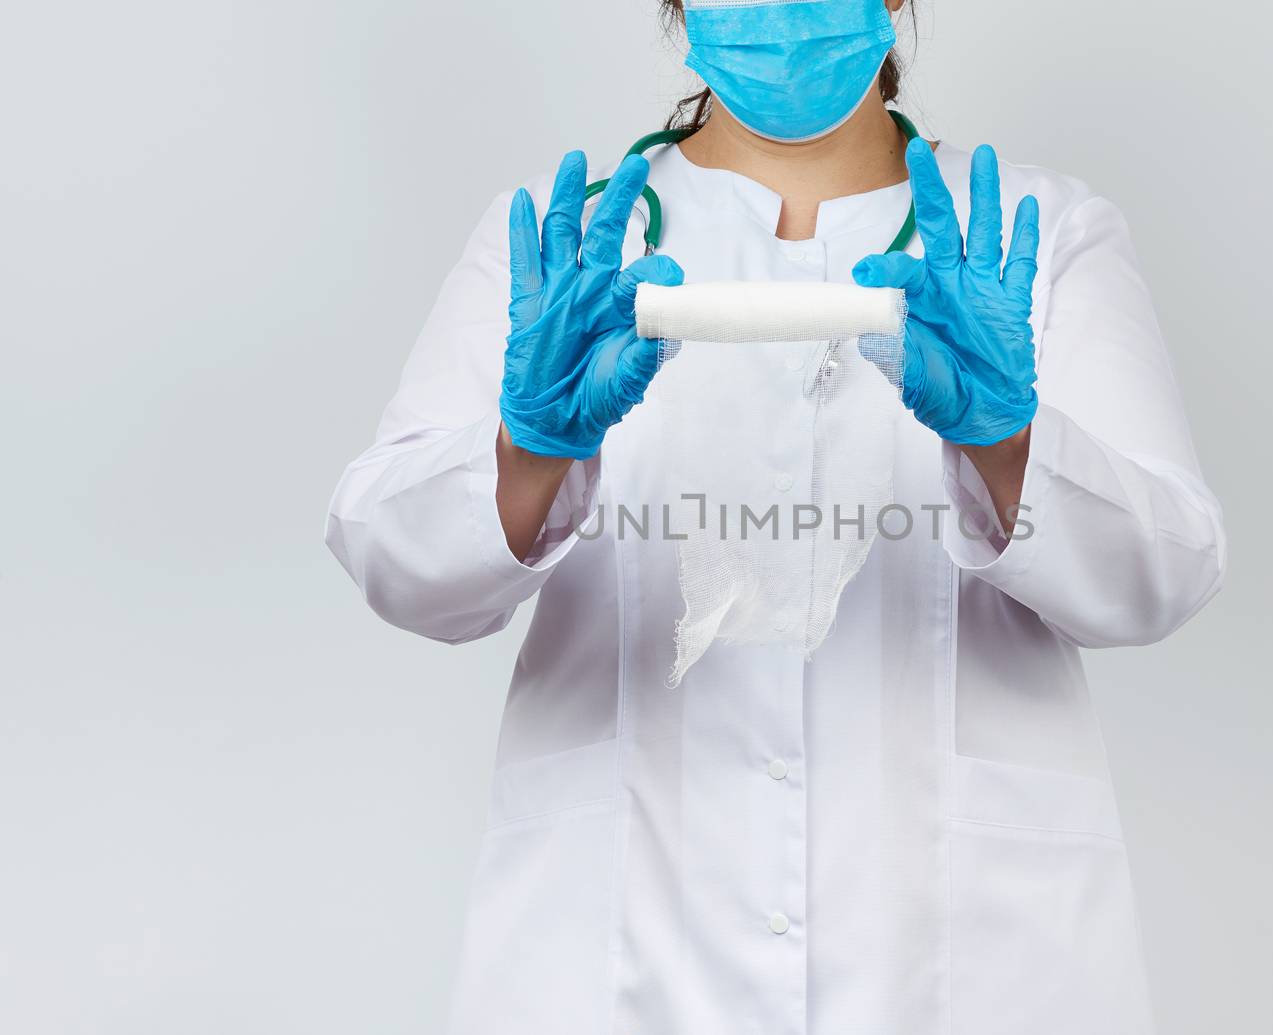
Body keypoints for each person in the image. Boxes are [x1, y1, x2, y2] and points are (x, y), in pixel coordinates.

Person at [325, 1, 1226, 1031]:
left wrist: (1003, 444)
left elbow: (1166, 571)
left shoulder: (1032, 233)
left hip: (960, 956)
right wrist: (530, 451)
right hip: (622, 944)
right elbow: (396, 562)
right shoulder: (564, 238)